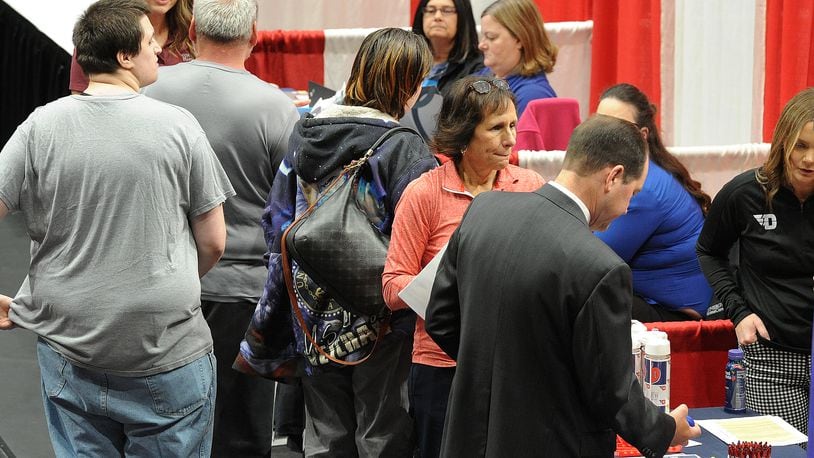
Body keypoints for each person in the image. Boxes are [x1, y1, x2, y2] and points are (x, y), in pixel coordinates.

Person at [0, 0, 235, 456]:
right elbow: (214, 242)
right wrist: (172, 277)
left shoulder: (38, 127)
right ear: (125, 57)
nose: (157, 52)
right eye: (149, 43)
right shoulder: (179, 127)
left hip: (69, 353)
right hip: (166, 355)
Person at [425, 114, 701, 457]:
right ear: (613, 177)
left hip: (467, 438)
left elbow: (439, 317)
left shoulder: (483, 210)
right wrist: (664, 430)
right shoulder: (600, 267)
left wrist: (495, 374)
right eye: (632, 192)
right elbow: (610, 392)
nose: (628, 207)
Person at [234, 27, 438, 457]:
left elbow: (276, 221)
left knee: (324, 437)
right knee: (382, 435)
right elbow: (418, 237)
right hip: (381, 321)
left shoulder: (306, 130)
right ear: (408, 84)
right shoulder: (406, 149)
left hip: (311, 316)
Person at [141, 0, 299, 455]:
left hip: (156, 283)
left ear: (191, 30)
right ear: (254, 35)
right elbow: (287, 207)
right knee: (240, 434)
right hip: (240, 292)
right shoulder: (275, 108)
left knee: (156, 424)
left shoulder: (149, 90)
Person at [382, 75, 542, 458]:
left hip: (512, 364)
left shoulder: (531, 186)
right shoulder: (424, 193)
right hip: (441, 365)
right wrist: (450, 283)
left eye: (513, 126)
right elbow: (391, 287)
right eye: (496, 128)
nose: (510, 139)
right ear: (464, 135)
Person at [696, 87, 814, 435]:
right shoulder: (744, 193)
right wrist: (739, 312)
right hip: (771, 361)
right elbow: (708, 251)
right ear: (782, 141)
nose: (809, 159)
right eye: (801, 145)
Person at [594, 83, 717, 322]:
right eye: (599, 123)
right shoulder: (635, 171)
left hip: (676, 317)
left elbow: (593, 260)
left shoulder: (644, 190)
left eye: (617, 127)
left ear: (642, 136)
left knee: (578, 291)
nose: (603, 136)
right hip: (655, 302)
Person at [69, 0, 194, 93]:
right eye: (149, 42)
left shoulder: (195, 31)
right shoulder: (100, 31)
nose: (158, 49)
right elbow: (81, 101)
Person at [476, 0, 557, 117]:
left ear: (519, 39)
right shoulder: (481, 76)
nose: (481, 45)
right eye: (483, 36)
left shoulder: (533, 97)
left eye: (491, 37)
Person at [411, 0, 483, 95]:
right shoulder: (409, 60)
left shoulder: (478, 68)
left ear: (463, 17)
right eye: (431, 10)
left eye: (447, 11)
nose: (437, 17)